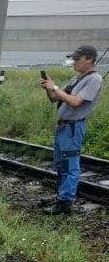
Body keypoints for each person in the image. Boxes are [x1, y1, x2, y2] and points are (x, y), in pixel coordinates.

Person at [39, 45, 104, 214]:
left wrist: (55, 87)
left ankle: (65, 202)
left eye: (77, 58)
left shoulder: (94, 79)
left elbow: (75, 102)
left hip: (73, 127)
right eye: (73, 58)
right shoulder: (77, 79)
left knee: (70, 165)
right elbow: (55, 98)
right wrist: (49, 88)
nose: (73, 62)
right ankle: (61, 195)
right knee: (61, 164)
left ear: (89, 59)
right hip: (63, 127)